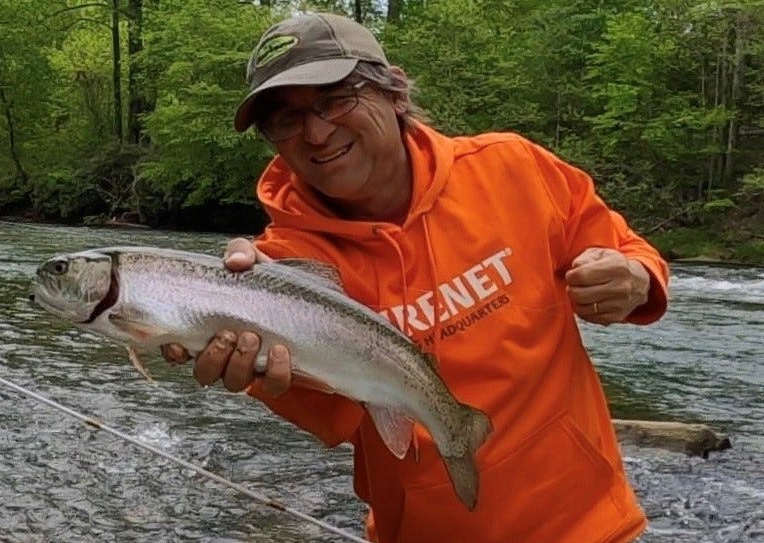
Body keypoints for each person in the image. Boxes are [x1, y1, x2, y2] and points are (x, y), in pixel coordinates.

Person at [161, 12, 669, 543]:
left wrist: (634, 278)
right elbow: (335, 420)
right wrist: (260, 371)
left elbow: (627, 250)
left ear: (394, 91)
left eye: (335, 99)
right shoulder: (282, 273)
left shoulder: (512, 168)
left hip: (591, 527)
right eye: (284, 120)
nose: (315, 131)